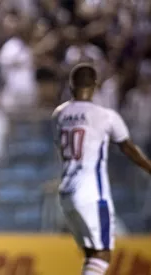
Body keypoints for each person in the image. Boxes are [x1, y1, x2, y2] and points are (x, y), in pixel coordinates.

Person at [51, 63, 151, 275]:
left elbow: (60, 149)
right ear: (95, 86)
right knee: (102, 254)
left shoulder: (59, 114)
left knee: (90, 255)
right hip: (91, 192)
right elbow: (129, 149)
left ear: (71, 87)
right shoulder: (106, 116)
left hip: (67, 191)